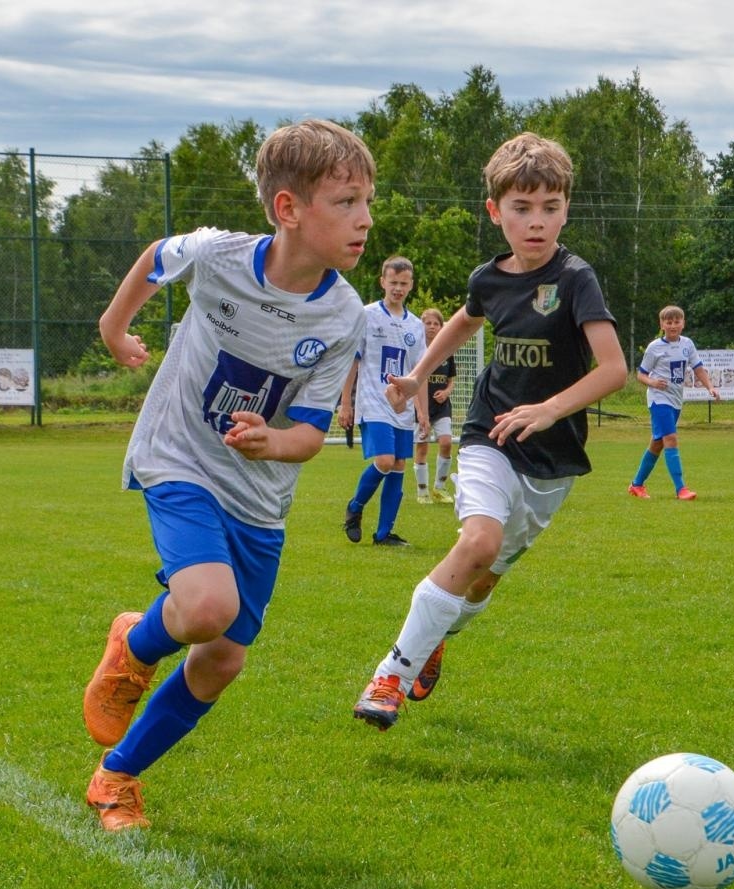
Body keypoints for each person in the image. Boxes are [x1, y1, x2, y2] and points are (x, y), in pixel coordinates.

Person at [81, 118, 375, 832]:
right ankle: (139, 645)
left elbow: (310, 433)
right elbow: (157, 258)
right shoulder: (218, 257)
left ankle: (115, 777)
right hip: (179, 457)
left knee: (219, 660)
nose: (364, 220)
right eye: (345, 203)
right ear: (288, 209)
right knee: (206, 608)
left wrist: (272, 443)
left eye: (368, 201)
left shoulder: (342, 316)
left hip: (259, 497)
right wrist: (114, 328)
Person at [351, 132, 628, 730]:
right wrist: (416, 375)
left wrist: (551, 409)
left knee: (483, 581)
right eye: (522, 209)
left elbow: (614, 369)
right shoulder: (489, 278)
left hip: (552, 459)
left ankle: (434, 638)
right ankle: (391, 675)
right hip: (489, 435)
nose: (537, 223)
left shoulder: (577, 278)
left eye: (550, 208)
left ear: (566, 210)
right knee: (475, 543)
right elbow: (461, 322)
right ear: (495, 211)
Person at [339, 256, 424, 546]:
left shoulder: (415, 325)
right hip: (373, 403)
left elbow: (419, 373)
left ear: (411, 285)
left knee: (399, 464)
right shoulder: (367, 315)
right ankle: (354, 507)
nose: (398, 288)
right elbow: (353, 361)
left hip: (402, 408)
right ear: (382, 282)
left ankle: (384, 534)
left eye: (403, 283)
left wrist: (421, 412)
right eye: (393, 282)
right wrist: (346, 403)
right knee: (385, 461)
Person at [628, 305, 719, 501]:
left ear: (683, 323)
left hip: (676, 400)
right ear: (662, 325)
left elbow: (698, 368)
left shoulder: (687, 344)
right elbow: (641, 375)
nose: (673, 325)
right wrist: (652, 382)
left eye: (676, 322)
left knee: (657, 444)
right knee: (671, 438)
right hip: (658, 399)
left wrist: (710, 387)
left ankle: (636, 485)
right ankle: (681, 489)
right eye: (668, 322)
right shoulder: (654, 347)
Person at [412, 307, 456, 503]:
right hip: (421, 408)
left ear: (441, 327)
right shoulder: (416, 351)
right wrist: (420, 412)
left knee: (446, 442)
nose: (431, 327)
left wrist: (446, 392)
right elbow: (413, 383)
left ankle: (439, 487)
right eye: (428, 323)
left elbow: (452, 379)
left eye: (435, 323)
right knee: (422, 447)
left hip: (442, 408)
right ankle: (422, 491)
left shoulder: (447, 351)